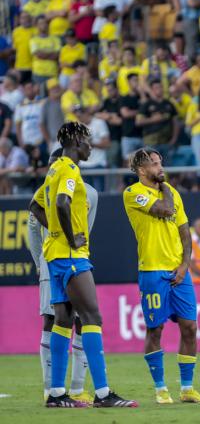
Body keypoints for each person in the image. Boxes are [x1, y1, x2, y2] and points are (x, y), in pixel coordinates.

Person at [41, 122, 137, 407]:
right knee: (92, 317)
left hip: (54, 254)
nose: (90, 145)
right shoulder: (69, 169)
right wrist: (72, 238)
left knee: (63, 320)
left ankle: (57, 394)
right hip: (71, 255)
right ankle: (103, 394)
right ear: (74, 140)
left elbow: (36, 205)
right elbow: (61, 203)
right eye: (87, 140)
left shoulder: (52, 170)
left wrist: (56, 232)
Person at [123, 147, 200, 404]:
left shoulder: (170, 192)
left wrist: (185, 265)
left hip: (178, 271)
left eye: (160, 162)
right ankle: (161, 389)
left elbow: (184, 231)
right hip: (152, 270)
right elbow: (164, 210)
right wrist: (165, 191)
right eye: (153, 164)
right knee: (155, 329)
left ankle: (187, 389)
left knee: (190, 327)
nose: (160, 168)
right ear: (141, 170)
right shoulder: (133, 193)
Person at [28, 147, 97, 404]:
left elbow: (87, 227)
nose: (52, 167)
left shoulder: (90, 192)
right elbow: (33, 226)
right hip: (50, 262)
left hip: (77, 259)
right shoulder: (46, 190)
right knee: (53, 319)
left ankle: (77, 388)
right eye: (49, 163)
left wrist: (78, 247)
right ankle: (51, 387)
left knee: (81, 319)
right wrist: (39, 264)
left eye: (54, 162)